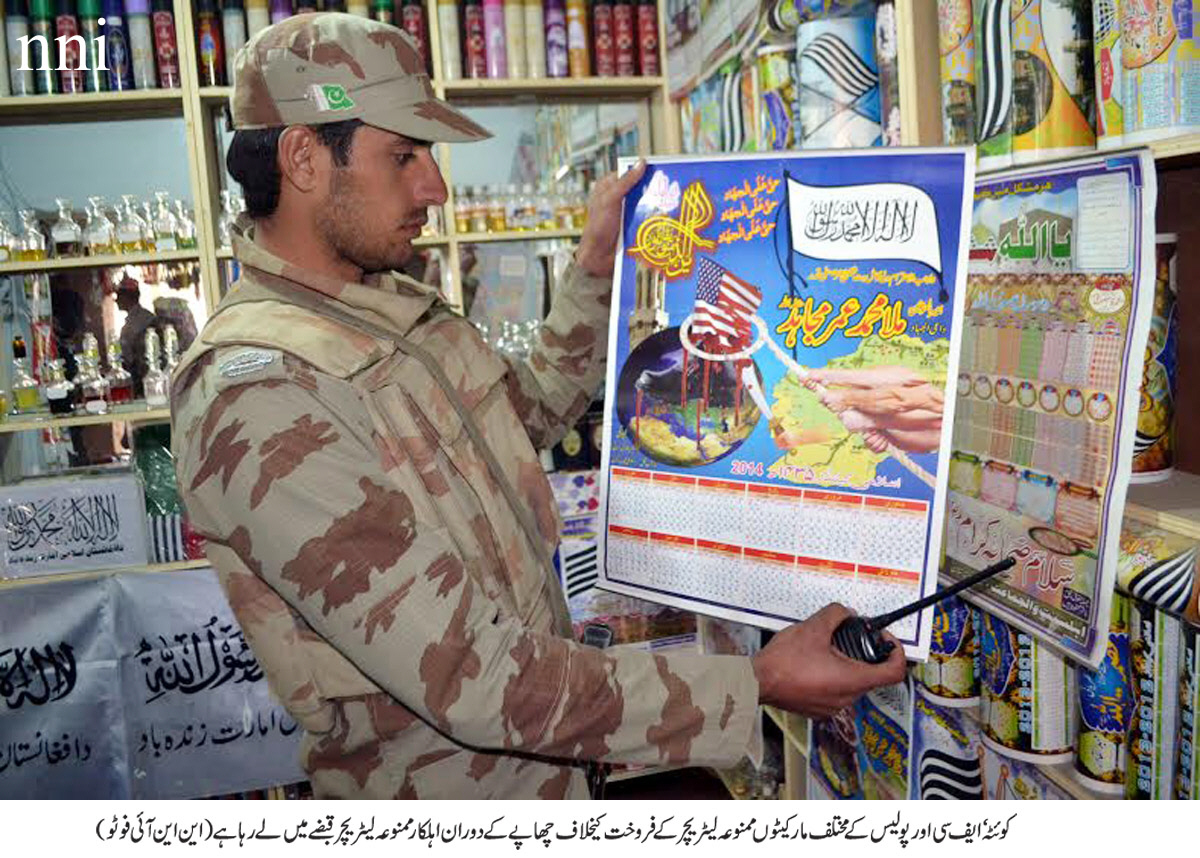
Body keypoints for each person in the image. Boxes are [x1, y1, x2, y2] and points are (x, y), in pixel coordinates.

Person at [171, 12, 906, 800]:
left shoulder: (387, 313)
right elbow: (469, 676)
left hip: (559, 761)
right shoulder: (260, 394)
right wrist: (751, 681)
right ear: (304, 157)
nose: (436, 188)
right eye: (404, 155)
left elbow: (531, 418)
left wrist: (595, 266)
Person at [114, 276, 158, 392]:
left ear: (128, 298)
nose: (116, 300)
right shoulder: (132, 321)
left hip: (144, 376)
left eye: (119, 297)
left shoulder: (144, 319)